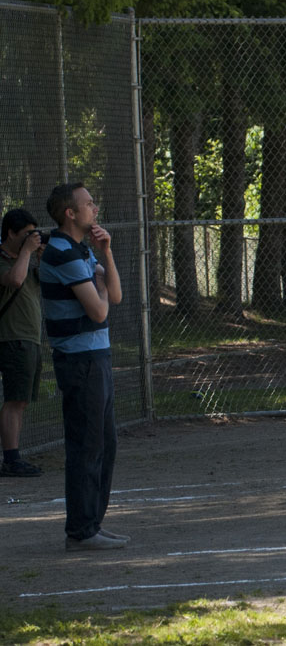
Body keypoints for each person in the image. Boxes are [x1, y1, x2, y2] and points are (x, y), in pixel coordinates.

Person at [40, 183, 127, 551]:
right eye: (88, 203)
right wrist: (100, 287)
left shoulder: (83, 250)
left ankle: (92, 523)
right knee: (86, 446)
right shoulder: (62, 253)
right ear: (70, 213)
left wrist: (106, 253)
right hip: (80, 362)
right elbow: (99, 311)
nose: (95, 208)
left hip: (97, 357)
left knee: (105, 444)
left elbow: (115, 295)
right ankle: (80, 531)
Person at [0, 208, 45, 477]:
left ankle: (13, 457)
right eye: (27, 234)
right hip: (11, 337)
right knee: (15, 400)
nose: (32, 238)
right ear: (11, 233)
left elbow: (48, 283)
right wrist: (27, 251)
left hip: (29, 338)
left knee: (21, 400)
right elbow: (15, 280)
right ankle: (11, 459)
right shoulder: (4, 260)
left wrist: (39, 256)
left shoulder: (27, 260)